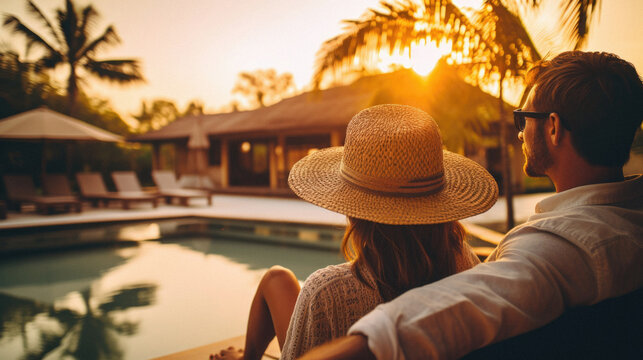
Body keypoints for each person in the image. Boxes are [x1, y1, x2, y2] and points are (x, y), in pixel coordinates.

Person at [298, 50, 643, 359]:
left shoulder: (556, 251)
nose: (520, 133)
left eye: (524, 118)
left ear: (553, 128)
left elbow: (455, 310)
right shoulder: (628, 221)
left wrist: (361, 346)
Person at [212, 104, 499, 359]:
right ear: (439, 207)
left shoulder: (327, 292)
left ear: (355, 211)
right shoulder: (463, 261)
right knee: (278, 279)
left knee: (276, 278)